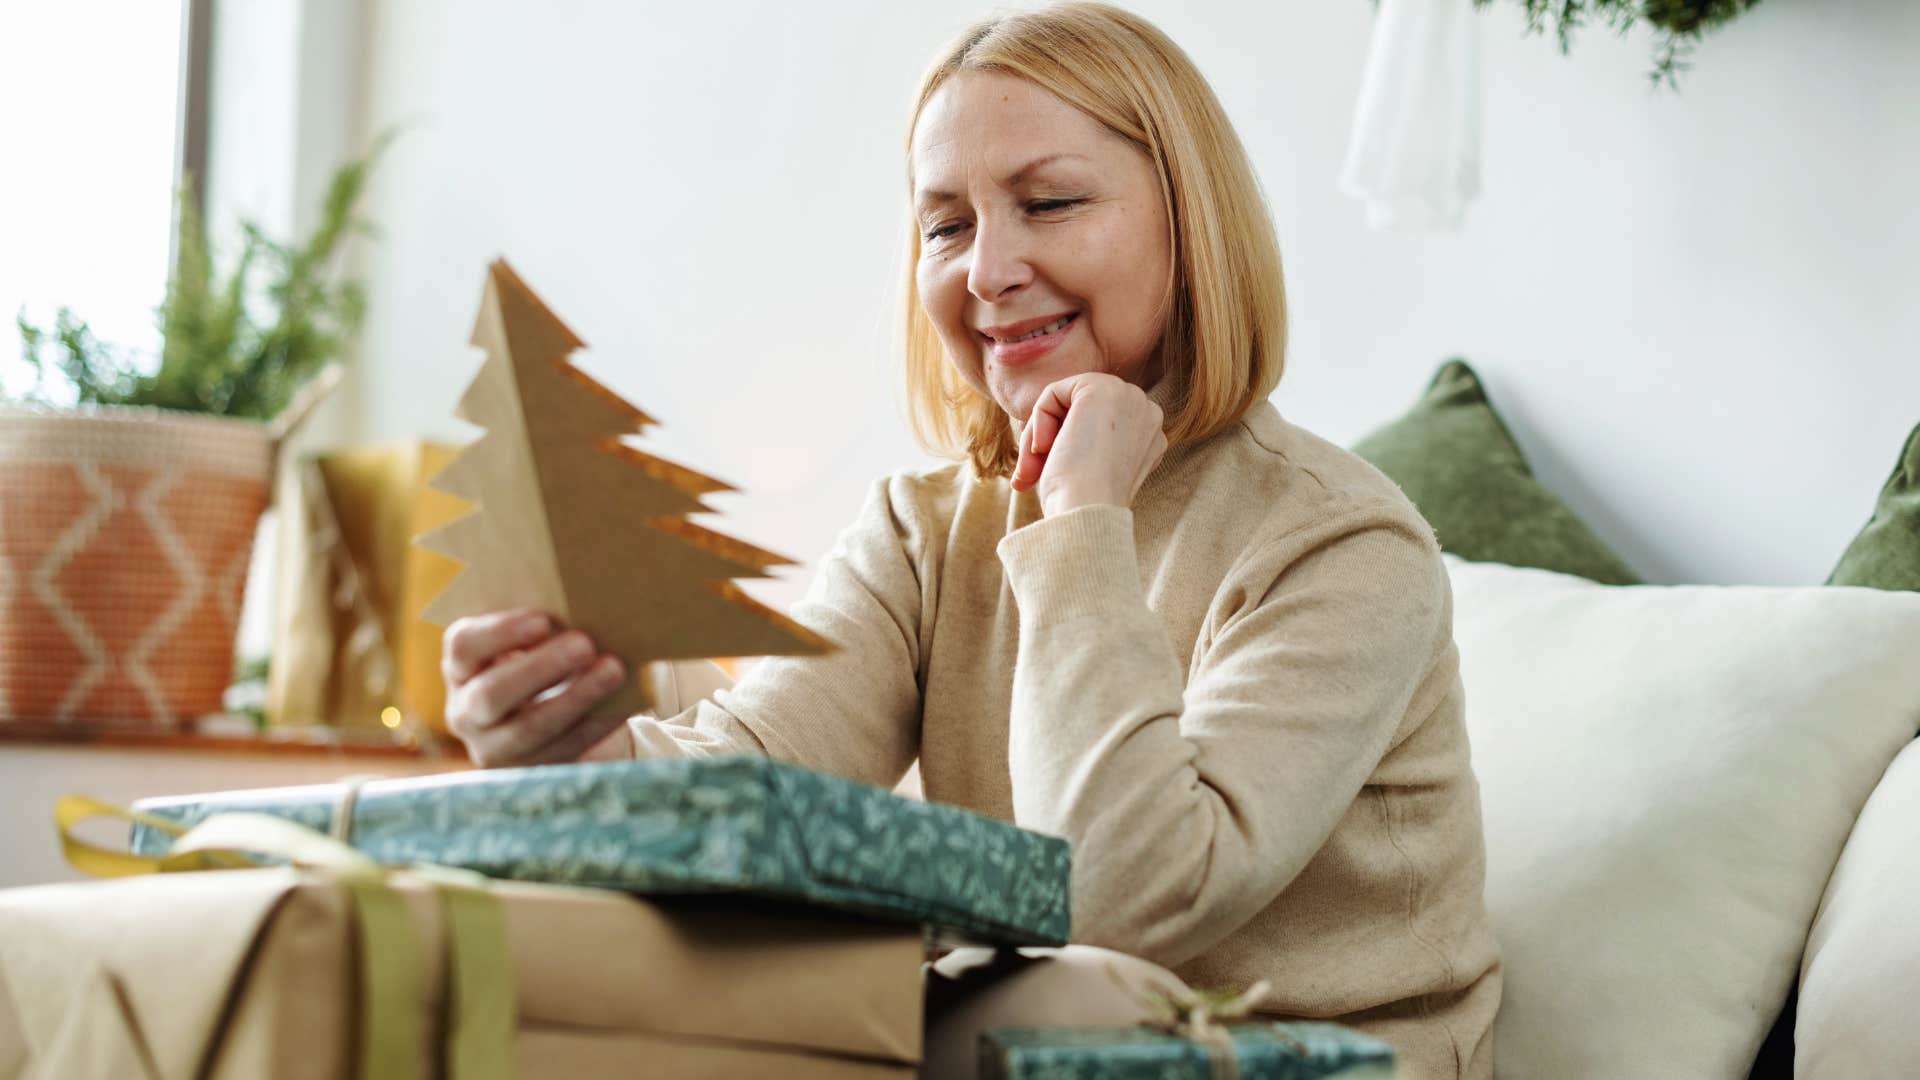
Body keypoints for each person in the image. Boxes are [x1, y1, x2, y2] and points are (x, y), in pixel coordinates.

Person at [440, 4, 1502, 1076]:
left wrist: (1083, 522)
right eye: (945, 226)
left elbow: (1115, 899)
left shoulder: (1344, 544)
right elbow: (757, 780)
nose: (987, 270)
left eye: (1049, 203)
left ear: (1192, 224)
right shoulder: (923, 528)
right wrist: (581, 758)